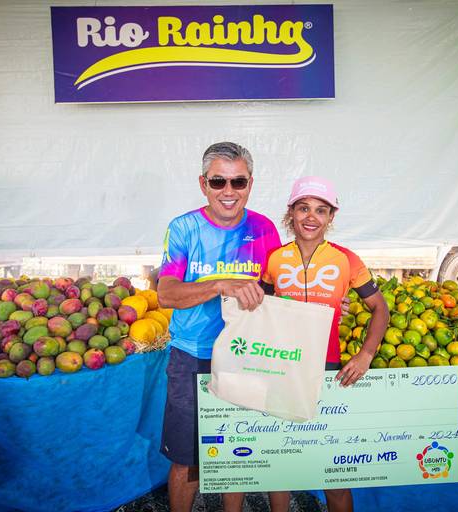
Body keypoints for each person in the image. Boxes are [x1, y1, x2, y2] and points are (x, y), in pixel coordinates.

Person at [156, 142, 281, 512]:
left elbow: (279, 292)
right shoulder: (183, 228)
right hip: (193, 356)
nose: (229, 191)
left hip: (248, 355)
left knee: (239, 451)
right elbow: (166, 294)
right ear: (203, 184)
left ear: (250, 184)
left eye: (238, 182)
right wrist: (219, 285)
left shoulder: (264, 229)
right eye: (218, 182)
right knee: (187, 459)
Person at [260, 176, 389, 512]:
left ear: (331, 216)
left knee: (334, 471)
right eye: (303, 208)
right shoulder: (274, 259)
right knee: (279, 465)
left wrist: (366, 354)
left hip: (329, 371)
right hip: (282, 370)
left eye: (321, 210)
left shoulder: (347, 259)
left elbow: (380, 309)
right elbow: (262, 311)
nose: (311, 217)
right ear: (291, 212)